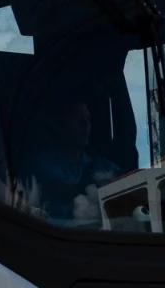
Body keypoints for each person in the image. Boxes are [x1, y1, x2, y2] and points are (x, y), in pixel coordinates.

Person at [22, 95, 119, 223]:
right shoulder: (39, 165)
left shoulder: (100, 164)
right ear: (58, 124)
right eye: (78, 119)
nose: (86, 125)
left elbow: (128, 178)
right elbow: (53, 189)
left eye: (88, 120)